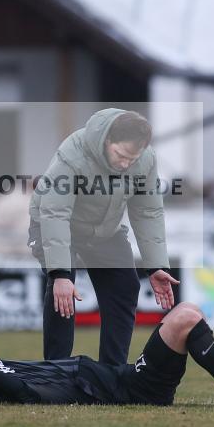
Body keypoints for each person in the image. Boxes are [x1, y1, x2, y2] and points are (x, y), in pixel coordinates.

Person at [29, 108, 179, 366]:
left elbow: (148, 212)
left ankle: (112, 372)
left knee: (125, 287)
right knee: (62, 294)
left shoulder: (146, 160)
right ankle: (57, 371)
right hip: (53, 223)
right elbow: (55, 213)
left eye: (132, 159)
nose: (125, 164)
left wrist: (156, 266)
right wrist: (60, 274)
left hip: (104, 230)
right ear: (107, 140)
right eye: (121, 155)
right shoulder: (73, 153)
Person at [0, 302, 214, 409]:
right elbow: (7, 386)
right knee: (187, 319)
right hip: (138, 390)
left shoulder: (11, 373)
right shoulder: (28, 391)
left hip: (131, 377)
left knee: (189, 310)